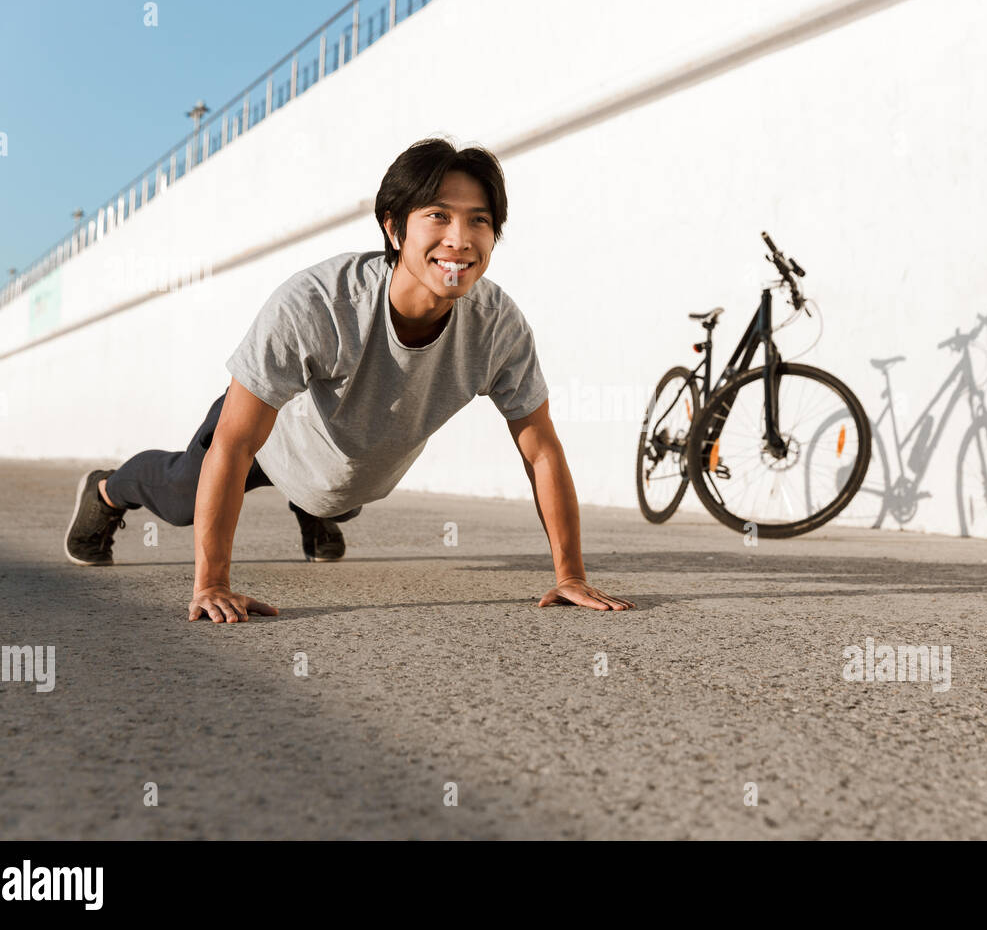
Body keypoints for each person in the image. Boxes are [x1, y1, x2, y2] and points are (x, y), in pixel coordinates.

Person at [64, 136, 636, 622]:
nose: (460, 239)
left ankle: (315, 509)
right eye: (438, 215)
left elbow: (541, 451)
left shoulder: (497, 326)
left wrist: (571, 574)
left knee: (339, 495)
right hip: (268, 436)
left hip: (347, 462)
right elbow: (236, 442)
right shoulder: (317, 303)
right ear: (393, 228)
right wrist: (211, 583)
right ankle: (107, 490)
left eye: (478, 221)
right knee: (182, 497)